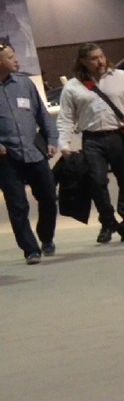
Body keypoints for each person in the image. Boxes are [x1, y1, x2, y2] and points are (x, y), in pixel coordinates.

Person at [55, 43, 124, 245]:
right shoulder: (73, 86)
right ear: (83, 62)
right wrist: (63, 142)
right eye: (94, 59)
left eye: (101, 56)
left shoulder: (122, 78)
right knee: (96, 182)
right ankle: (108, 222)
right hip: (92, 139)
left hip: (120, 136)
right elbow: (65, 118)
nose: (100, 61)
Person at [0, 40, 59, 265]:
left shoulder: (25, 83)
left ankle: (46, 236)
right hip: (6, 158)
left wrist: (51, 140)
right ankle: (30, 249)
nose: (16, 61)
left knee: (48, 197)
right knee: (17, 205)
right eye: (10, 58)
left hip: (34, 152)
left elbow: (42, 115)